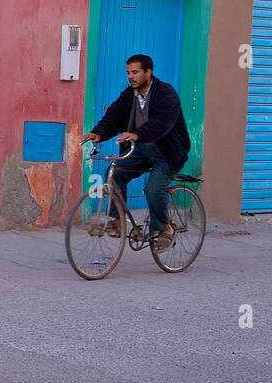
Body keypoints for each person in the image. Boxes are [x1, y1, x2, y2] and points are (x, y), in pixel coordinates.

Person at [79, 53, 191, 252]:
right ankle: (117, 220)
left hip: (167, 152)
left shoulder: (166, 93)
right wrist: (99, 133)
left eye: (135, 72)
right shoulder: (129, 94)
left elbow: (162, 124)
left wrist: (137, 134)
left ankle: (165, 228)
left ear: (149, 72)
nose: (131, 76)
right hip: (141, 150)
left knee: (153, 189)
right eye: (128, 72)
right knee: (114, 174)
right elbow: (113, 116)